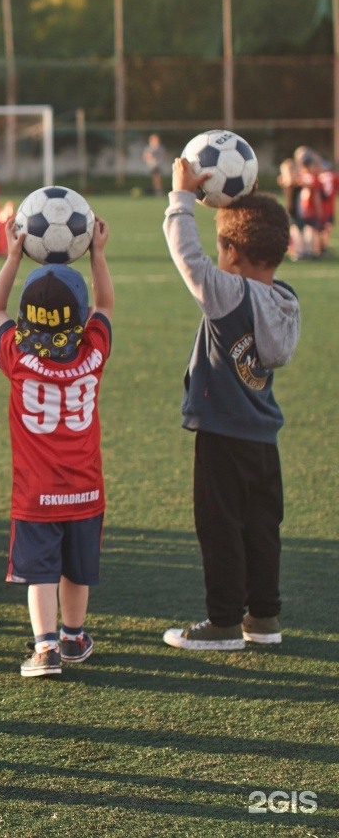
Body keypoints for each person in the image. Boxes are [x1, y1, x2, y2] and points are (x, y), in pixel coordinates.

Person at [162, 160, 301, 650]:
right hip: (264, 438)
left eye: (224, 246)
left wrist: (182, 197)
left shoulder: (228, 295)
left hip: (222, 434)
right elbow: (245, 258)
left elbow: (187, 256)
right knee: (263, 529)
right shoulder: (286, 301)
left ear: (233, 251)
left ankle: (223, 623)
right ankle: (264, 619)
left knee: (220, 528)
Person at [0, 216, 114, 677]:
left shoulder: (18, 359)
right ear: (79, 320)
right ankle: (74, 638)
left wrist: (12, 258)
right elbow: (106, 306)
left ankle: (44, 648)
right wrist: (97, 253)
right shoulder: (93, 354)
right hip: (85, 491)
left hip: (35, 494)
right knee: (76, 572)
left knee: (40, 572)